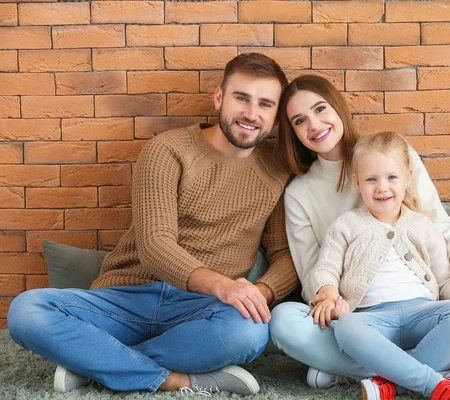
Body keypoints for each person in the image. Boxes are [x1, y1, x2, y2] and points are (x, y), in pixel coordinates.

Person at [7, 53, 298, 396]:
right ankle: (176, 379)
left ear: (276, 117)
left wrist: (257, 293)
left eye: (265, 104)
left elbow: (285, 254)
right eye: (241, 98)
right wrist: (223, 285)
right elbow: (155, 244)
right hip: (125, 299)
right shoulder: (168, 149)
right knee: (26, 311)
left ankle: (99, 365)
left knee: (249, 331)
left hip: (200, 313)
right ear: (219, 97)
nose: (251, 114)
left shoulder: (278, 171)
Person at [269, 75, 450, 398]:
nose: (315, 124)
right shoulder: (299, 193)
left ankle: (373, 378)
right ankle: (441, 372)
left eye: (321, 109)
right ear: (292, 132)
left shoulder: (395, 154)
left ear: (338, 107)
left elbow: (441, 229)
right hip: (361, 319)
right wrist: (328, 296)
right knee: (283, 321)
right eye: (300, 120)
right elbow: (313, 273)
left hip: (424, 313)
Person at [309, 130, 450, 400]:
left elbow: (444, 279)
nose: (382, 187)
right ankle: (436, 383)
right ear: (357, 182)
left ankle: (383, 382)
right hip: (371, 319)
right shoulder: (346, 226)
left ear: (408, 178)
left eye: (391, 177)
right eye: (371, 179)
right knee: (345, 328)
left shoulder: (423, 225)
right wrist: (329, 293)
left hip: (424, 314)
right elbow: (325, 269)